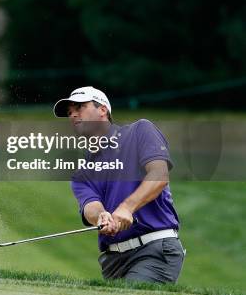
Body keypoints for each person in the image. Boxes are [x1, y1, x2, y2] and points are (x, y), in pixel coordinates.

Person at [53, 86, 185, 283]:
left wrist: (126, 208)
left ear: (103, 110)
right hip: (113, 261)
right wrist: (102, 217)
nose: (73, 115)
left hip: (153, 248)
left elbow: (159, 174)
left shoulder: (140, 131)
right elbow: (90, 206)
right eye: (70, 112)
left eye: (79, 107)